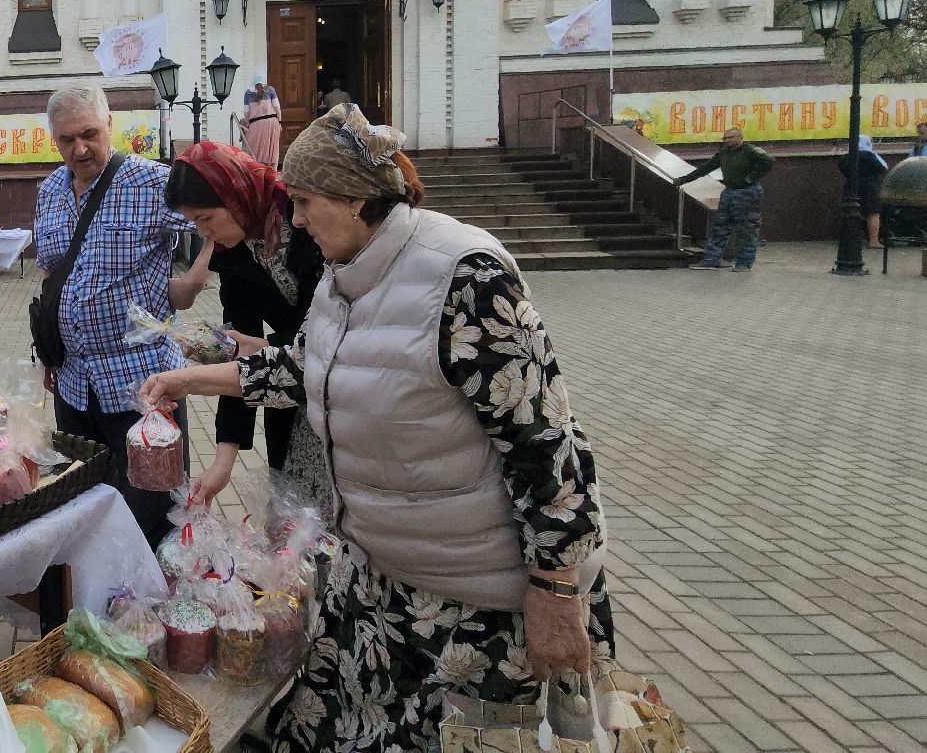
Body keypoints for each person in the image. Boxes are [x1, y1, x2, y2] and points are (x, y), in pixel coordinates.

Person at [137, 104, 613, 751]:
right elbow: (302, 367)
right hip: (381, 578)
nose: (295, 219)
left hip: (477, 604)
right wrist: (187, 380)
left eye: (304, 202)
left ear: (356, 198)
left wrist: (556, 592)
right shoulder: (342, 277)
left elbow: (548, 444)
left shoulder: (465, 276)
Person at [34, 81, 191, 546]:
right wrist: (51, 350)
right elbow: (50, 275)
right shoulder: (48, 192)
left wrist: (194, 279)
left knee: (151, 510)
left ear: (110, 126)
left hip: (141, 385)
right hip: (74, 384)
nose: (80, 148)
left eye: (89, 134)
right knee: (88, 503)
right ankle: (101, 605)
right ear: (54, 140)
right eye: (67, 139)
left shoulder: (154, 181)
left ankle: (154, 607)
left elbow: (220, 222)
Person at [161, 142, 324, 504]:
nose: (202, 233)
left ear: (233, 195)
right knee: (293, 525)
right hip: (285, 395)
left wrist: (270, 348)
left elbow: (332, 329)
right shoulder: (232, 251)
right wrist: (222, 462)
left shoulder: (305, 217)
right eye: (194, 223)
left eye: (205, 218)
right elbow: (239, 356)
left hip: (340, 396)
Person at [677, 126, 774, 271]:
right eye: (725, 138)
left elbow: (768, 161)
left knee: (746, 229)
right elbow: (705, 168)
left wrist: (751, 178)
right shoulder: (723, 153)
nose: (727, 140)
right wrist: (684, 180)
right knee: (719, 227)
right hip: (728, 191)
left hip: (747, 192)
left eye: (730, 137)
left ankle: (744, 263)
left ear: (740, 138)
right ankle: (712, 260)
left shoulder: (750, 151)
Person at [838, 134, 891, 248]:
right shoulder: (870, 156)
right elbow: (882, 168)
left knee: (850, 214)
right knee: (873, 213)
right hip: (870, 188)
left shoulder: (846, 157)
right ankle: (873, 241)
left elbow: (842, 168)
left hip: (851, 187)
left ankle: (849, 241)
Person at [240, 74, 283, 166]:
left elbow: (246, 112)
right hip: (272, 122)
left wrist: (248, 124)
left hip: (256, 123)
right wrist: (279, 122)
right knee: (272, 151)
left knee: (254, 150)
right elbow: (277, 107)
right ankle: (272, 175)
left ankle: (257, 172)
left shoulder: (248, 93)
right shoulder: (270, 89)